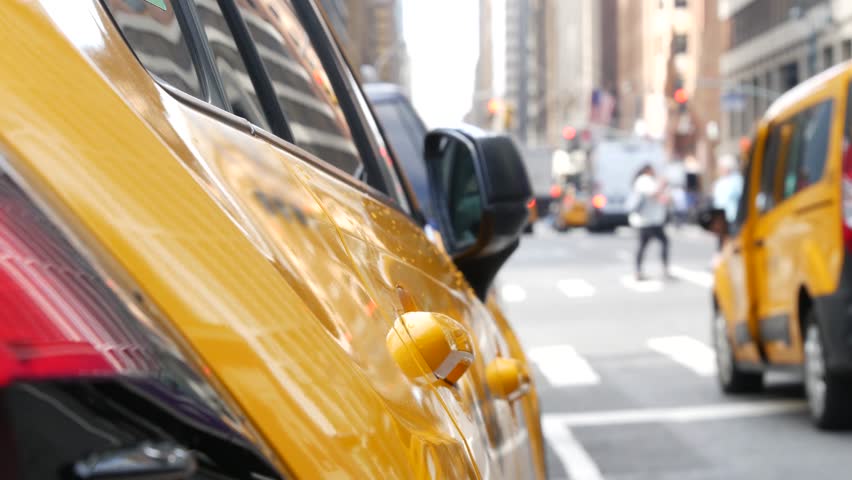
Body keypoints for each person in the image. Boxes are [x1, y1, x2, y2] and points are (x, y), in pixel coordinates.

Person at [629, 165, 670, 280]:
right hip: (645, 220)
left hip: (654, 220)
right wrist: (662, 185)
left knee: (652, 244)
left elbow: (661, 197)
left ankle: (641, 270)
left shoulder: (650, 181)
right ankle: (639, 271)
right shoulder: (643, 180)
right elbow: (653, 194)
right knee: (646, 245)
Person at [712, 154, 743, 223]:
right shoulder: (720, 181)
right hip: (720, 217)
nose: (720, 169)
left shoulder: (737, 180)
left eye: (722, 167)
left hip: (733, 217)